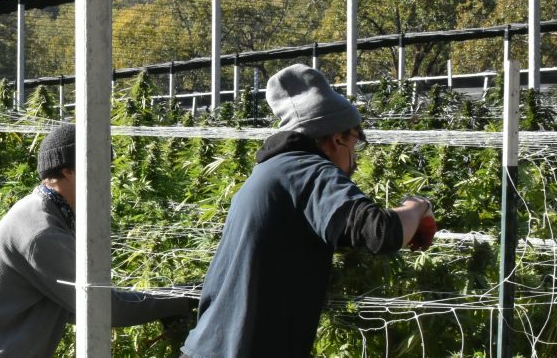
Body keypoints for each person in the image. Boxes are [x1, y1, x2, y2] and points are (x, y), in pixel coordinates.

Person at [180, 64, 436, 358]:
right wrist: (417, 207)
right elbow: (381, 232)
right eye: (357, 141)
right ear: (338, 137)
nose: (356, 157)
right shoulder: (306, 170)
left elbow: (331, 233)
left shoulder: (272, 171)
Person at [0, 124, 196, 357]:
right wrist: (187, 297)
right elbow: (101, 308)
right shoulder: (41, 233)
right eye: (102, 164)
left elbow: (70, 307)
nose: (108, 175)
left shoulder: (41, 212)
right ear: (69, 170)